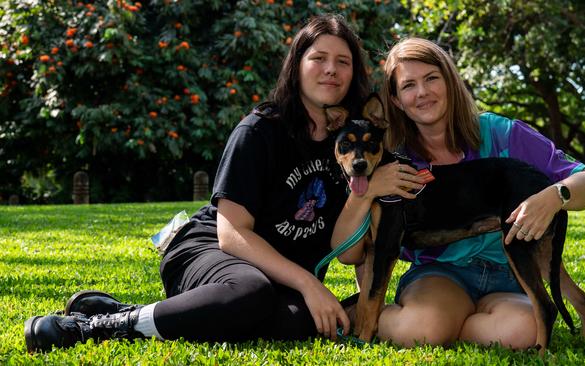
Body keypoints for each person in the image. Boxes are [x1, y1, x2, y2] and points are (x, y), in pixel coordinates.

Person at [24, 14, 372, 353]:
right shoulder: (261, 130)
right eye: (319, 58)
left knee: (298, 324)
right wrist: (308, 282)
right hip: (211, 251)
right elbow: (231, 233)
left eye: (343, 61)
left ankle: (132, 310)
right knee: (251, 292)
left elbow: (352, 251)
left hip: (278, 277)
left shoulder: (359, 146)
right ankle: (99, 327)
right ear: (296, 66)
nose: (331, 69)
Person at [331, 37, 585, 349]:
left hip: (506, 277)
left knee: (522, 332)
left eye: (432, 78)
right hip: (439, 277)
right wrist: (365, 193)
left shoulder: (501, 132)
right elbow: (353, 252)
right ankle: (387, 316)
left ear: (450, 80)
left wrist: (555, 196)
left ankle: (452, 323)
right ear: (395, 100)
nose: (422, 92)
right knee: (420, 331)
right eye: (408, 86)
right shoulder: (388, 157)